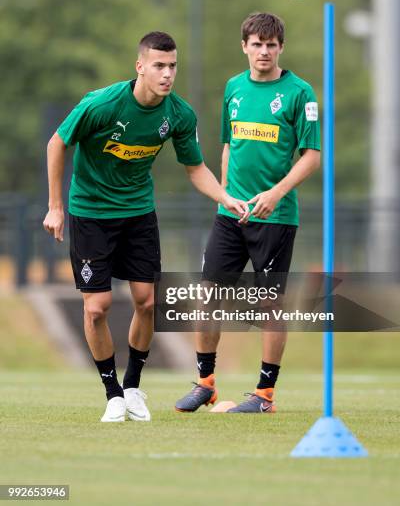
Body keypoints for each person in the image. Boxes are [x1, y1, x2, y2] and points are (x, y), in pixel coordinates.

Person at [43, 31, 248, 423]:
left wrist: (225, 197)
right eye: (159, 66)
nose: (167, 74)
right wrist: (55, 207)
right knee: (98, 308)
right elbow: (57, 143)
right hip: (91, 212)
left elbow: (195, 168)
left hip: (138, 212)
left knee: (149, 302)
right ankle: (112, 394)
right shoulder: (102, 104)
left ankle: (133, 386)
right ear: (140, 67)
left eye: (172, 66)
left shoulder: (179, 115)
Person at [175, 12, 321, 413]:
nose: (264, 51)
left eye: (271, 45)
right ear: (244, 46)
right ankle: (205, 383)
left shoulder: (300, 93)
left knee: (268, 306)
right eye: (256, 44)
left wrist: (276, 192)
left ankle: (265, 395)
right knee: (207, 296)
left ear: (281, 48)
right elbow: (228, 147)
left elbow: (311, 157)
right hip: (231, 216)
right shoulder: (233, 88)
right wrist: (224, 197)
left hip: (275, 217)